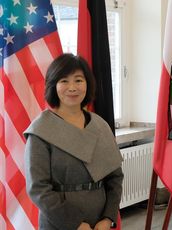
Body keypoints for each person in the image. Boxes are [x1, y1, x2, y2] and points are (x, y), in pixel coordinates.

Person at [24, 53, 124, 230]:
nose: (72, 87)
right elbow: (38, 189)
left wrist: (108, 218)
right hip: (59, 223)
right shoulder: (41, 130)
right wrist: (75, 224)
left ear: (87, 84)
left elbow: (115, 178)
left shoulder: (100, 125)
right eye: (64, 81)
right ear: (53, 85)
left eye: (78, 80)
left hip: (100, 223)